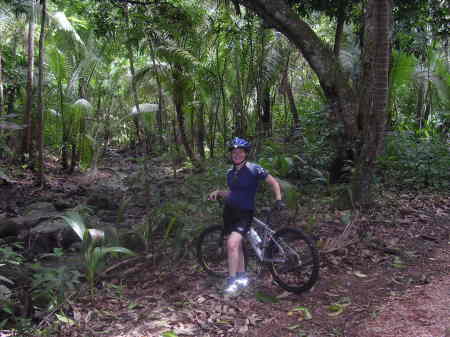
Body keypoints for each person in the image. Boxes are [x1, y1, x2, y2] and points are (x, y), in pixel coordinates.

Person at [208, 137, 284, 295]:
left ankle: (232, 281)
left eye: (240, 152)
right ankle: (242, 277)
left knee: (231, 244)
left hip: (244, 213)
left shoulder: (254, 169)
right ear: (231, 155)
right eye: (234, 152)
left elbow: (274, 182)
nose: (237, 155)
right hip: (229, 211)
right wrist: (218, 192)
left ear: (245, 154)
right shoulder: (230, 173)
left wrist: (278, 200)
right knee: (237, 245)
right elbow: (232, 192)